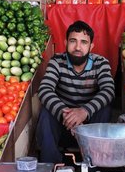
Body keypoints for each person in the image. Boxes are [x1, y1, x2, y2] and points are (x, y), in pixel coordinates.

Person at [36, 20, 115, 163]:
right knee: (46, 113)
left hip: (90, 127)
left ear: (91, 46)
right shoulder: (57, 61)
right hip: (63, 124)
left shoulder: (100, 63)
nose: (78, 47)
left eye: (84, 42)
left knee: (105, 110)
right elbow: (45, 89)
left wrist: (84, 112)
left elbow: (108, 90)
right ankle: (51, 165)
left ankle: (96, 163)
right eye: (73, 41)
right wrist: (65, 114)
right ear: (66, 42)